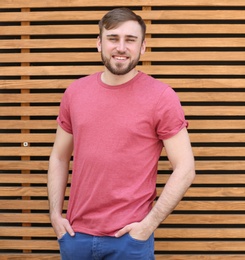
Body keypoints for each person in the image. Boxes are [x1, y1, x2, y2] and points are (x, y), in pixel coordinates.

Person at [47, 7, 195, 260]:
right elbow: (59, 157)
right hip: (75, 237)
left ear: (143, 47)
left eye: (130, 40)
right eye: (113, 38)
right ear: (99, 43)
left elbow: (185, 168)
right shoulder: (75, 93)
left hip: (129, 241)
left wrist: (148, 226)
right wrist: (55, 216)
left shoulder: (161, 97)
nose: (121, 47)